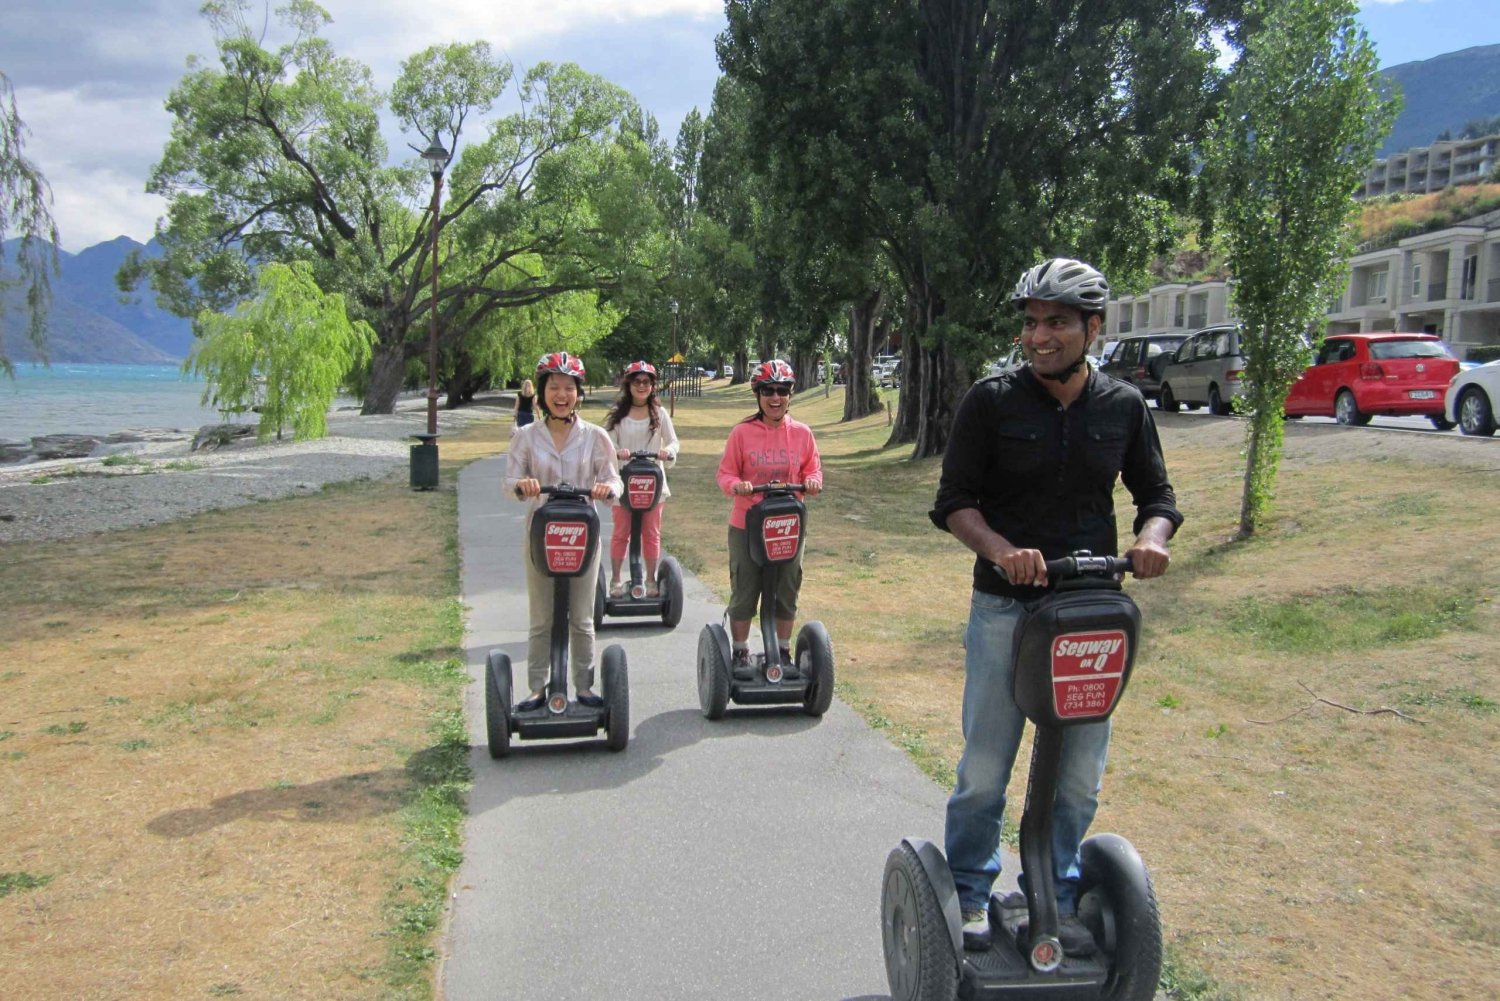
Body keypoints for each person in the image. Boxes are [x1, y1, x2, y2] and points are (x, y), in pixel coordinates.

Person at [929, 257, 1183, 956]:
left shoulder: (1124, 405)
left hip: (1091, 608)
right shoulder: (991, 401)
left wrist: (1151, 539)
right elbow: (953, 503)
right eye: (1032, 322)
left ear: (1093, 327)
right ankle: (972, 890)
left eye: (1057, 323)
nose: (1039, 336)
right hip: (1007, 608)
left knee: (1078, 770)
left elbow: (1157, 499)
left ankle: (1061, 892)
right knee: (986, 762)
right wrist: (1001, 547)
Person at [503, 352, 621, 711]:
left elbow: (614, 480)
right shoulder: (525, 436)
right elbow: (509, 483)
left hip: (582, 534)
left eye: (568, 387)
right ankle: (537, 687)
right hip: (541, 533)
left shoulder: (596, 437)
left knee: (582, 616)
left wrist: (606, 489)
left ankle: (584, 687)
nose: (561, 394)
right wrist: (522, 485)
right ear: (541, 393)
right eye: (554, 387)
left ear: (578, 394)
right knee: (541, 615)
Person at [715, 359, 823, 675]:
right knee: (746, 589)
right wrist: (738, 485)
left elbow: (813, 468)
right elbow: (725, 474)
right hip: (747, 524)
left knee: (787, 588)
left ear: (790, 394)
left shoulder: (803, 434)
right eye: (768, 391)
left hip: (788, 525)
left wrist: (814, 481)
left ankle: (784, 651)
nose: (775, 398)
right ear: (758, 394)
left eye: (782, 391)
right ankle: (740, 652)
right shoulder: (742, 433)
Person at [602, 361, 680, 598]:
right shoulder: (618, 413)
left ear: (653, 385)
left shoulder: (660, 412)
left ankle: (650, 580)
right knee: (621, 532)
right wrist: (617, 450)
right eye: (637, 381)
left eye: (647, 382)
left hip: (653, 484)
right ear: (629, 384)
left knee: (652, 532)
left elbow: (674, 441)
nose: (642, 385)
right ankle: (616, 580)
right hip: (624, 483)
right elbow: (604, 441)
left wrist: (668, 452)